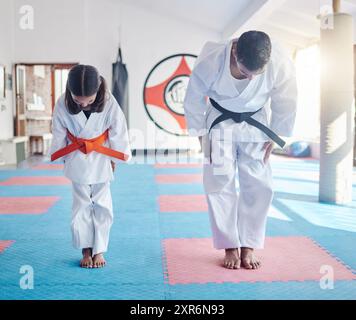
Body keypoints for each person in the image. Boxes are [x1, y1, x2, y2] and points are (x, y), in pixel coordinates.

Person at [183, 31, 297, 270]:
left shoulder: (279, 59)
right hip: (219, 120)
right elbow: (193, 97)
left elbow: (286, 98)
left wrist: (278, 134)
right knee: (219, 180)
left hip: (257, 121)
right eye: (245, 72)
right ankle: (229, 245)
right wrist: (200, 136)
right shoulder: (211, 60)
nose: (250, 78)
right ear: (235, 51)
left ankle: (249, 244)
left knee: (259, 183)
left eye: (257, 74)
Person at [49, 64, 131, 268]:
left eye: (90, 100)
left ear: (98, 92)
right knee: (81, 205)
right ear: (70, 92)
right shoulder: (62, 103)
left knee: (103, 204)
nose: (84, 104)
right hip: (76, 156)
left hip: (101, 156)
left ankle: (100, 249)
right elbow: (58, 130)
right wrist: (61, 155)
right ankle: (86, 249)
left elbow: (118, 130)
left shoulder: (109, 101)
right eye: (78, 100)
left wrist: (116, 157)